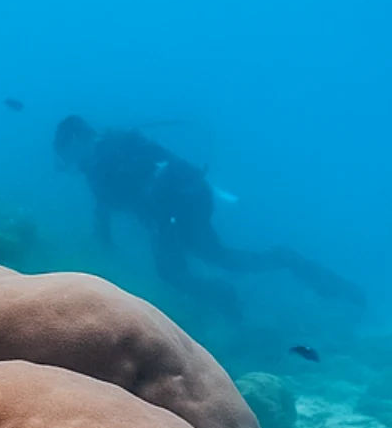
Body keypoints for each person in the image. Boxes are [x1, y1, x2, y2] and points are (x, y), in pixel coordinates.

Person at [53, 115, 362, 306]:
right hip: (185, 203)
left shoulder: (104, 155)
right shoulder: (108, 151)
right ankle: (277, 271)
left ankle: (231, 298)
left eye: (67, 151)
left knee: (177, 270)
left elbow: (111, 201)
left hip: (176, 208)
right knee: (214, 259)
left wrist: (107, 238)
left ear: (78, 138)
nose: (69, 161)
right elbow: (109, 203)